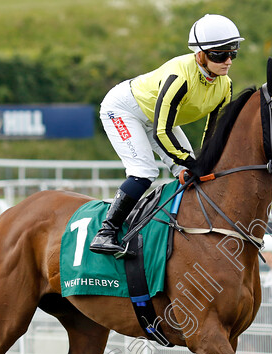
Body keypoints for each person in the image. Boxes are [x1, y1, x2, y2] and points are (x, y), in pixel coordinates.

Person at [89, 14, 244, 255]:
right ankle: (106, 232)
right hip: (124, 110)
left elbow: (212, 133)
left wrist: (202, 163)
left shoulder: (225, 86)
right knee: (144, 172)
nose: (228, 61)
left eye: (232, 53)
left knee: (190, 173)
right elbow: (162, 132)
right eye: (220, 55)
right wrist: (194, 162)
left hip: (158, 119)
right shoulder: (180, 77)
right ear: (200, 54)